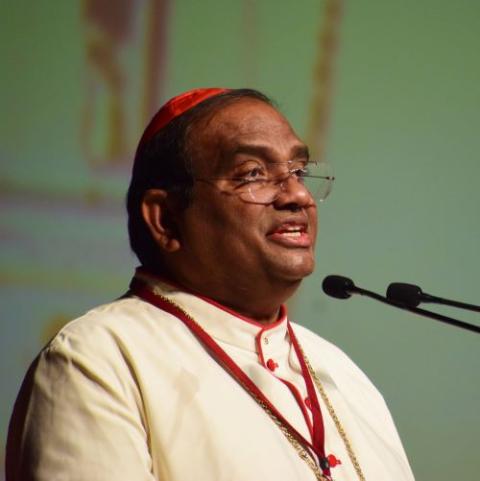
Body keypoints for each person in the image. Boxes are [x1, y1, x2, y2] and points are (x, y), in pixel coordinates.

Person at [6, 88, 415, 481]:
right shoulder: (98, 360)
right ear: (165, 218)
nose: (297, 196)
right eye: (253, 173)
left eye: (299, 171)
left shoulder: (340, 373)